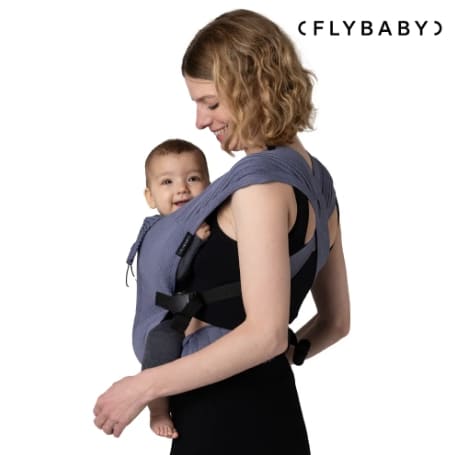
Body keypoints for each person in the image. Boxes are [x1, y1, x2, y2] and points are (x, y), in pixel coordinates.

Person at [94, 9, 350, 454]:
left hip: (222, 420)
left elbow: (266, 334)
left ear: (254, 87)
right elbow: (336, 322)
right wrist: (279, 358)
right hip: (276, 409)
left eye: (211, 103)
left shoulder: (259, 188)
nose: (199, 121)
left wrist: (141, 387)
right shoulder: (320, 182)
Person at [139, 138, 211, 439]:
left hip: (201, 318)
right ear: (150, 196)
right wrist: (194, 243)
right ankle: (157, 408)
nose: (182, 189)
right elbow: (175, 272)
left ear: (210, 185)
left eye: (192, 178)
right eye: (167, 182)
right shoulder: (161, 231)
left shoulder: (209, 218)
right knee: (160, 344)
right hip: (162, 319)